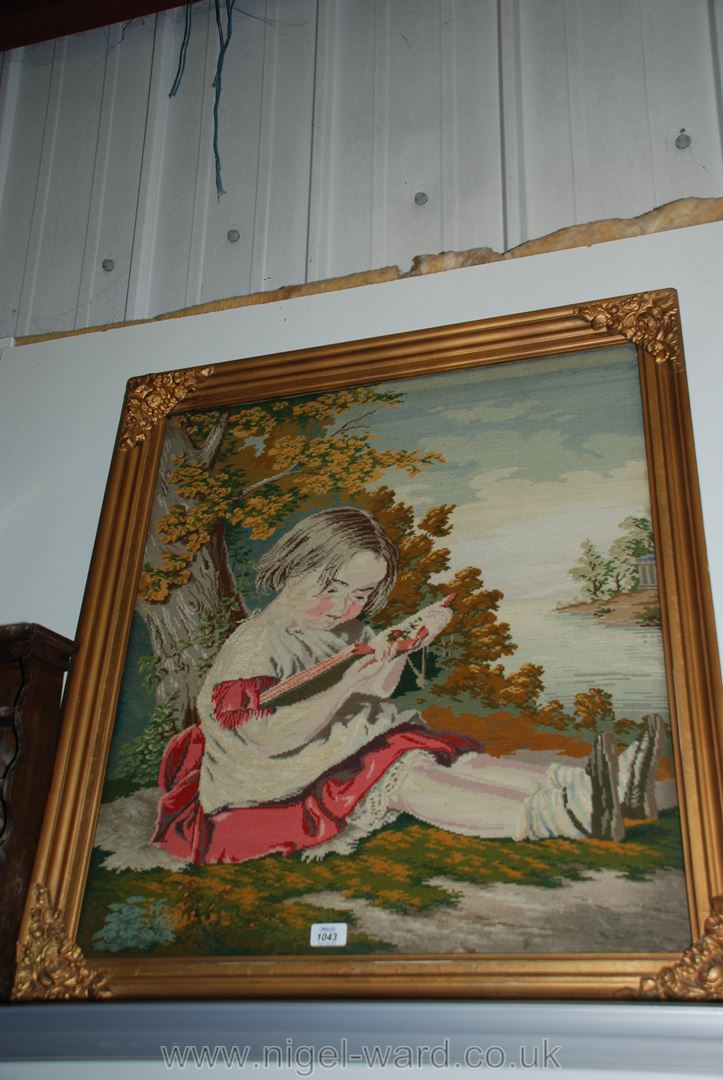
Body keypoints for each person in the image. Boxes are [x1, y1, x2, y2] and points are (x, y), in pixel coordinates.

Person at [151, 508, 643, 866]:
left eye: (361, 595)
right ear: (293, 566)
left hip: (342, 742)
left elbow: (378, 693)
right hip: (276, 774)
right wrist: (344, 687)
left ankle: (591, 787)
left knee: (458, 761)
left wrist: (403, 647)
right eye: (332, 588)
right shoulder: (257, 644)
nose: (345, 608)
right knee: (410, 779)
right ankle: (562, 815)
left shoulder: (346, 631)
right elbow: (266, 737)